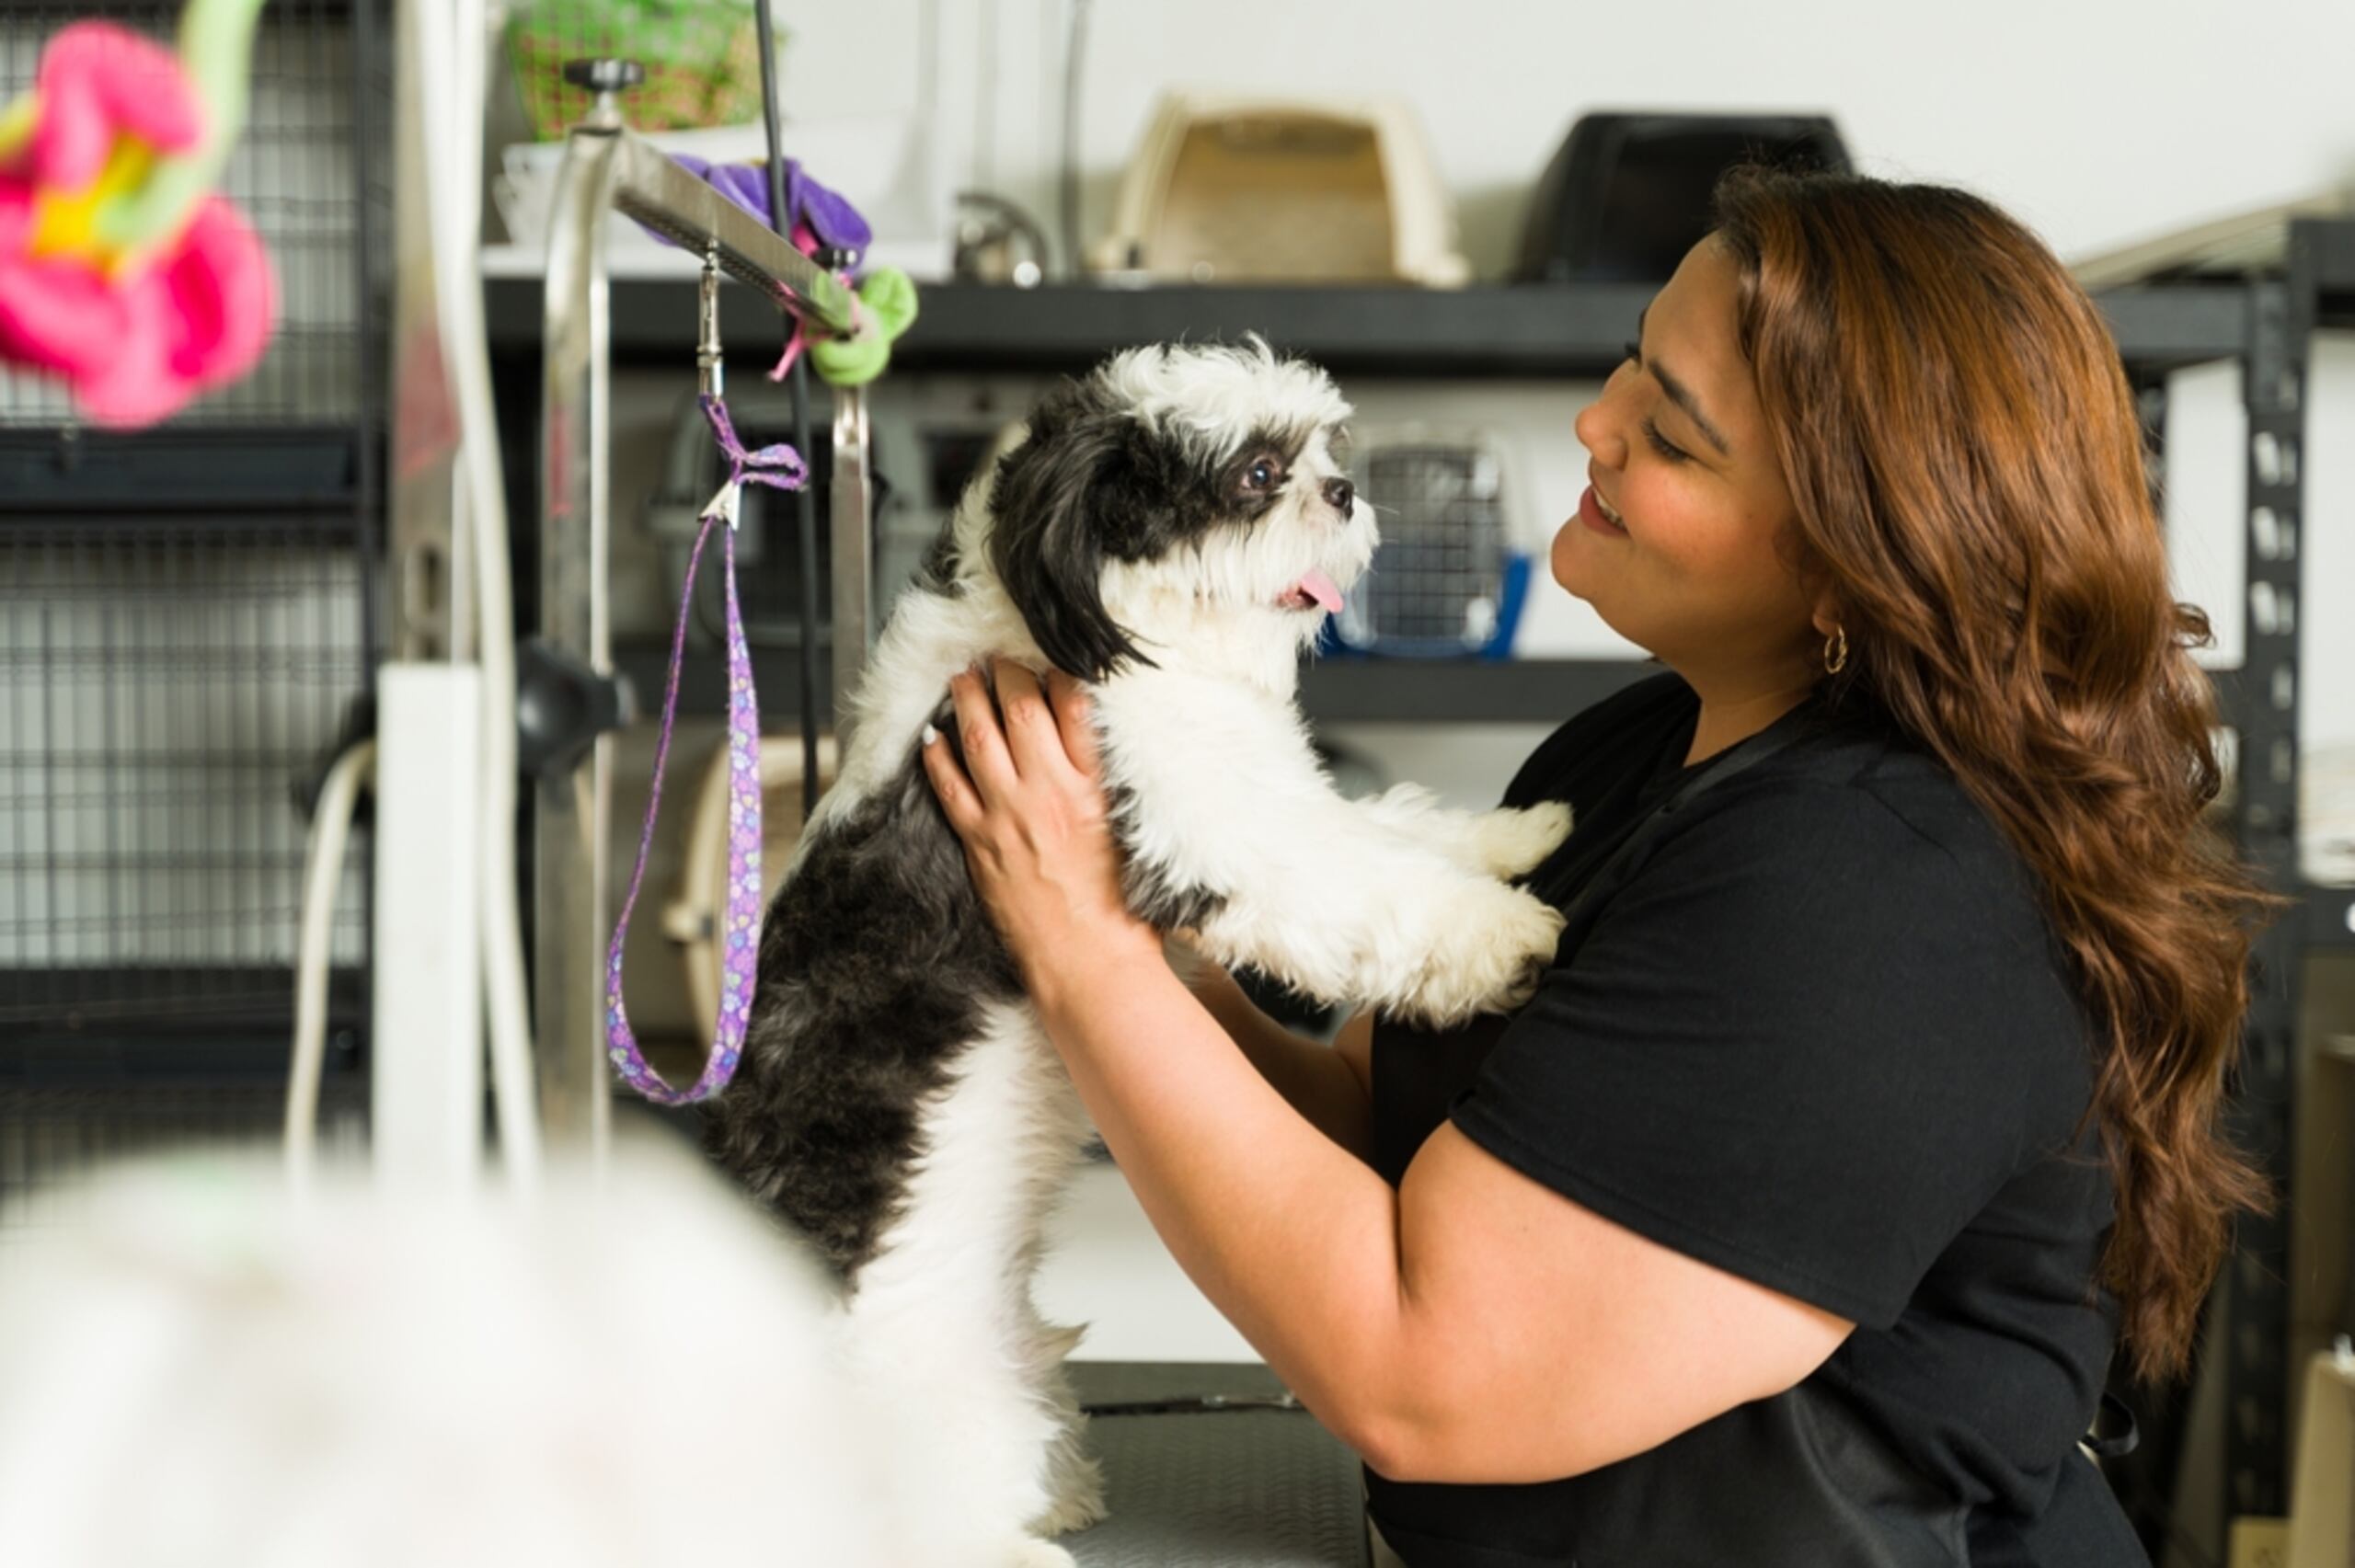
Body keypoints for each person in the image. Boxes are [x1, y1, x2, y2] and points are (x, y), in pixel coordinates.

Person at [919, 167, 2269, 1568]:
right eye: (1635, 357)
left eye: (1673, 438)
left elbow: (1426, 1377)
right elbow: (1373, 1120)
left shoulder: (1881, 890)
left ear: (1851, 571)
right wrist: (1123, 922)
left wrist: (1085, 952)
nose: (1596, 423)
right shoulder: (1639, 745)